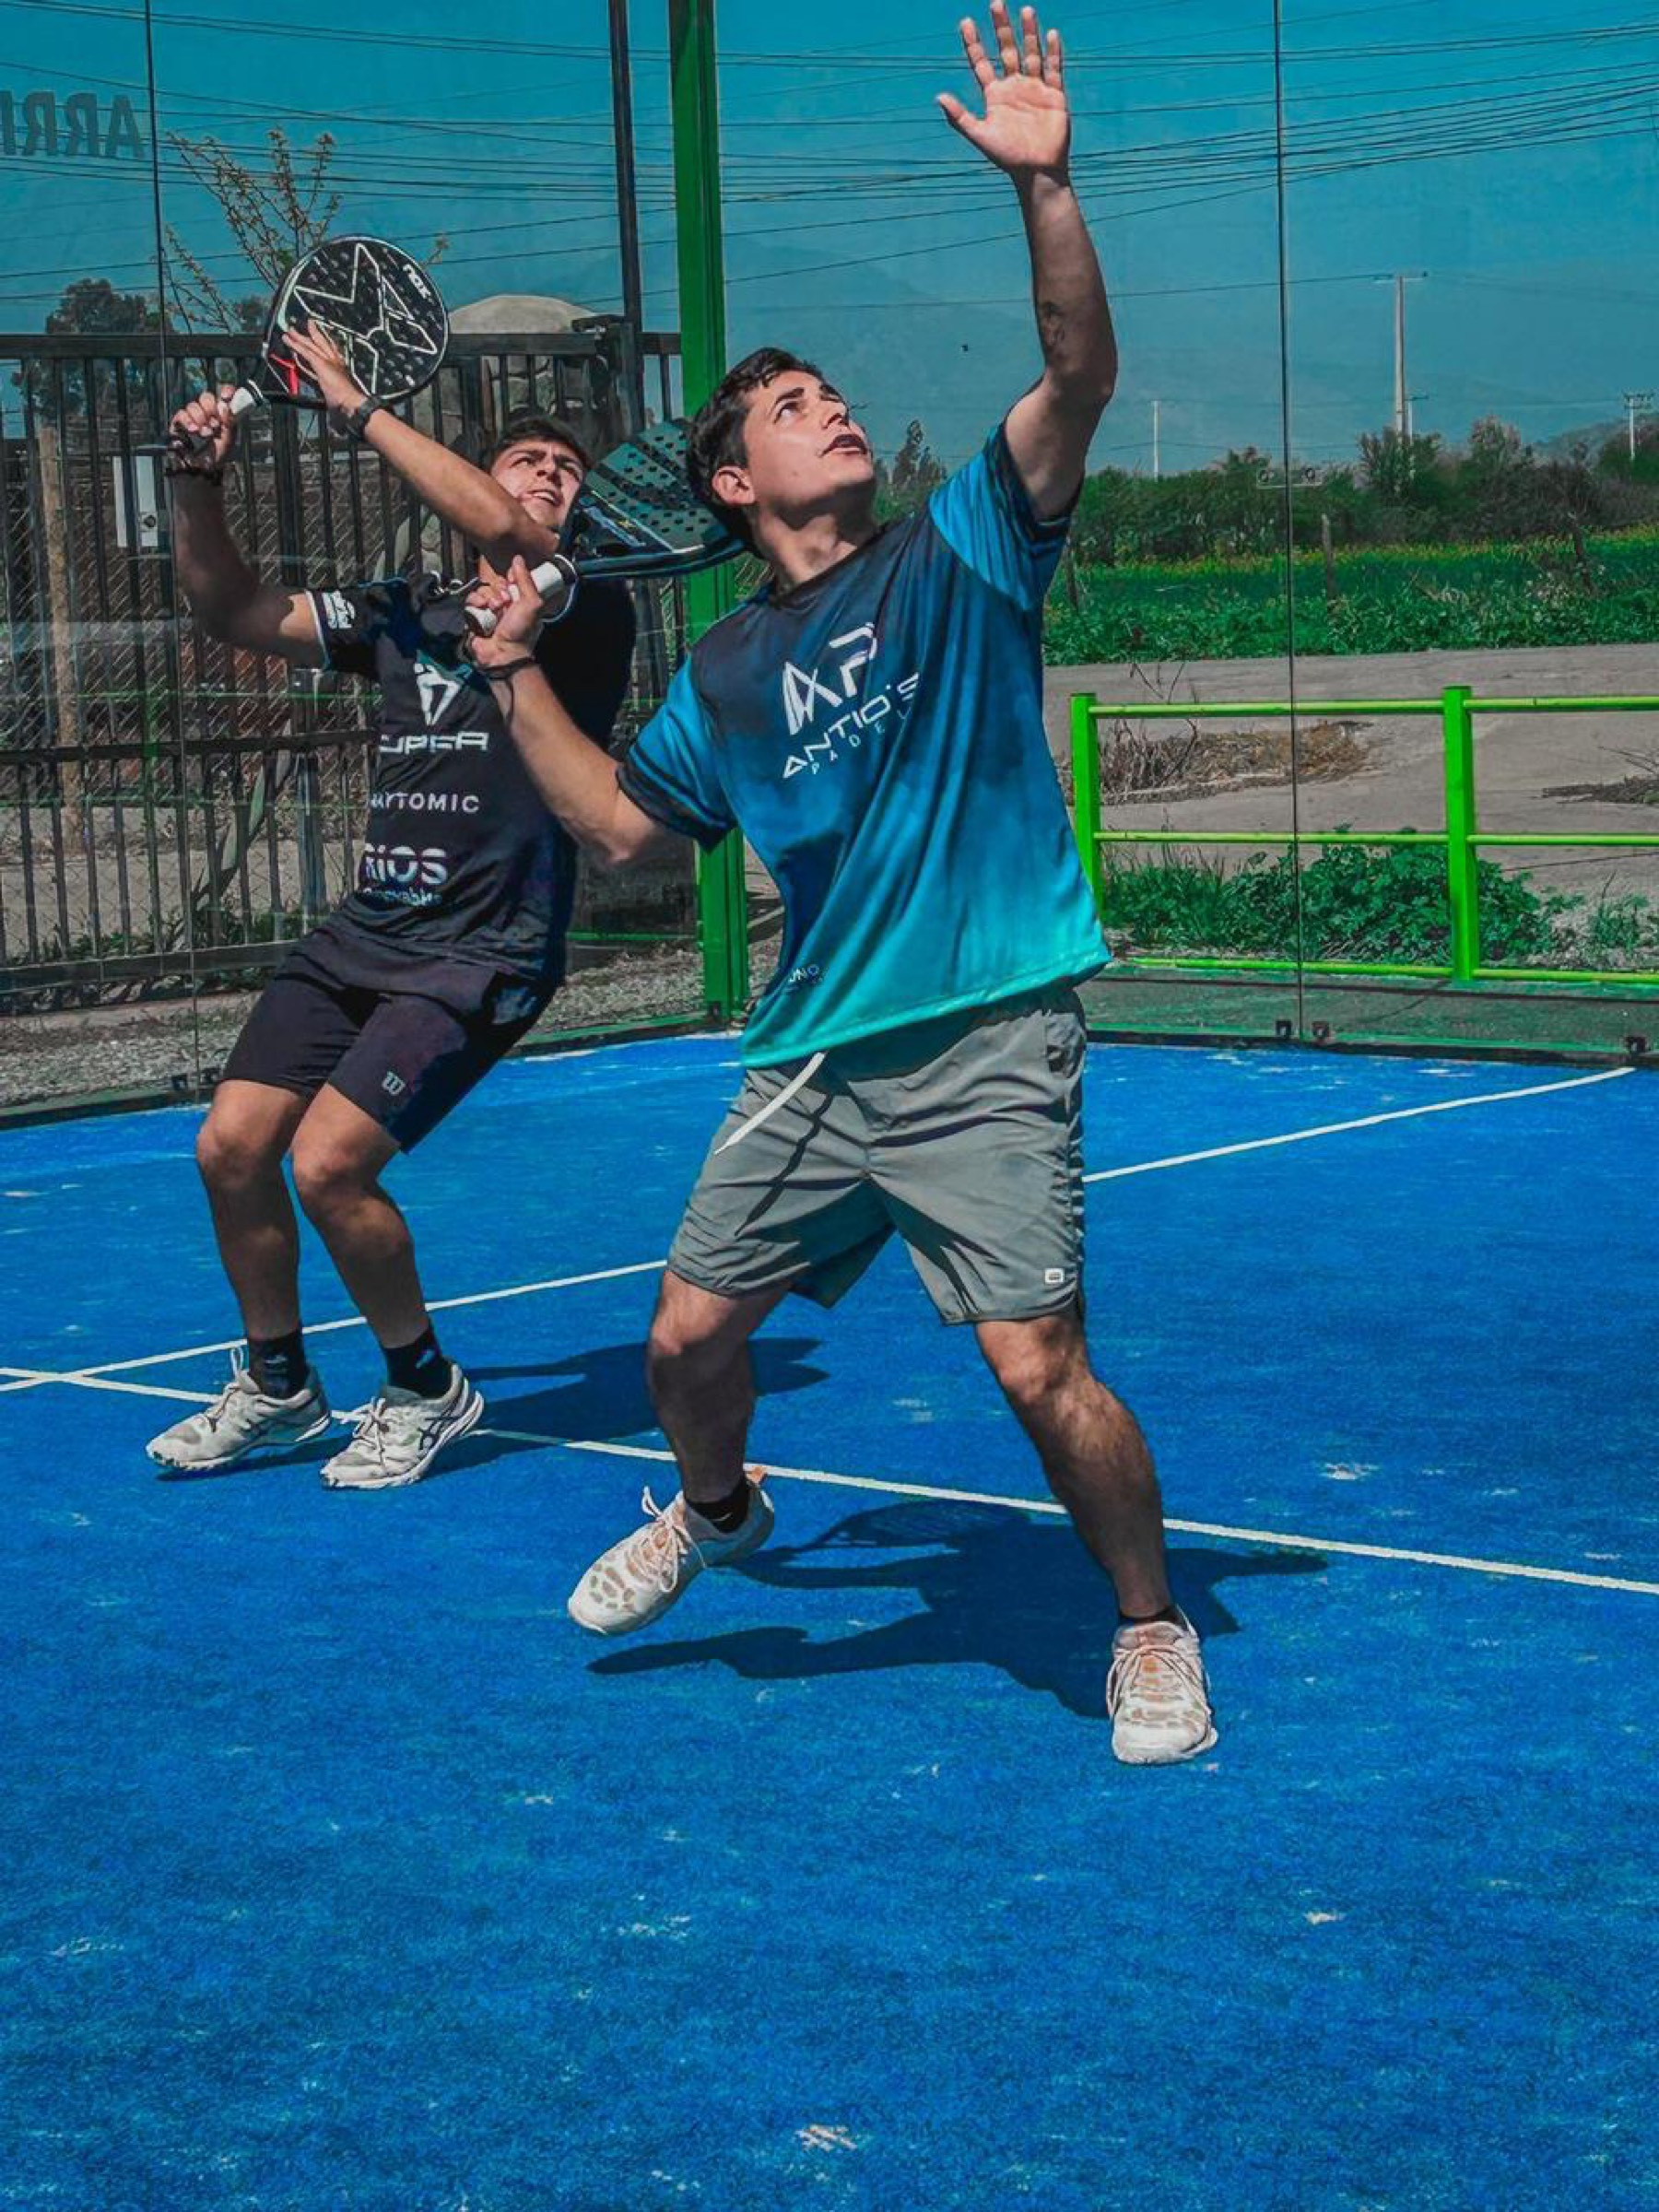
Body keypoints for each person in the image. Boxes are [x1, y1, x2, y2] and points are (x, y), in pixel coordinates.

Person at [466, 1, 1216, 1762]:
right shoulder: (726, 668)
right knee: (681, 1349)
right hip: (813, 1054)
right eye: (798, 407)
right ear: (736, 482)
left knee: (1036, 1371)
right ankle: (721, 1516)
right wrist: (507, 674)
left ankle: (1152, 1626)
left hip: (987, 1037)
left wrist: (1045, 187)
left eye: (836, 395)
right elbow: (627, 835)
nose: (838, 409)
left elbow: (1077, 375)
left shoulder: (965, 550)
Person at [146, 333, 636, 1490]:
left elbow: (511, 534)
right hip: (366, 933)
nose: (548, 476)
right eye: (525, 460)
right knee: (229, 1149)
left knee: (329, 1165)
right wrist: (195, 485)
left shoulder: (583, 605)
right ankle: (279, 1383)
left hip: (484, 950)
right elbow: (234, 609)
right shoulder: (405, 613)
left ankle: (425, 1388)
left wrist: (354, 405)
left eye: (567, 470)